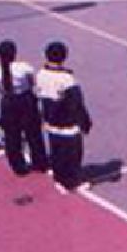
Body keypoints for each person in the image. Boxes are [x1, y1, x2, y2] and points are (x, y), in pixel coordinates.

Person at [36, 41, 91, 191]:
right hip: (67, 124)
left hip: (50, 121)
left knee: (57, 151)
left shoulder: (40, 74)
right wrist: (85, 122)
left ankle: (59, 178)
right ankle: (71, 182)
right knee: (72, 154)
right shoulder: (67, 79)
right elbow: (76, 103)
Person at [0, 40, 48, 176]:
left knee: (11, 135)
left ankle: (18, 166)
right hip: (25, 99)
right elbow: (31, 83)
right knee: (33, 133)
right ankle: (39, 162)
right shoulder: (24, 67)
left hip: (8, 102)